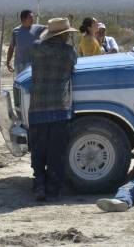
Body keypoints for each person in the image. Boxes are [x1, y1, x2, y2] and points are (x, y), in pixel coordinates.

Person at [28, 17, 80, 200]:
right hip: (60, 107)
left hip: (37, 107)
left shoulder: (36, 49)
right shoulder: (69, 52)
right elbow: (73, 67)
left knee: (38, 150)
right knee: (56, 151)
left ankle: (39, 185)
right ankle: (53, 188)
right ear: (65, 34)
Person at [5, 9, 45, 75]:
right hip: (19, 64)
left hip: (32, 64)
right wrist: (8, 62)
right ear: (23, 19)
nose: (33, 19)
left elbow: (50, 28)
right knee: (20, 83)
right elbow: (11, 48)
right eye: (30, 17)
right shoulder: (15, 31)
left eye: (33, 17)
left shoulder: (38, 28)